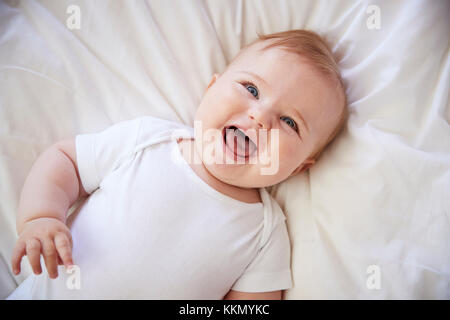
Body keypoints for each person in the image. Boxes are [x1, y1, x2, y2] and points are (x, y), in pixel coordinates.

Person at [8, 29, 347, 299]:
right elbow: (65, 159)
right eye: (251, 88)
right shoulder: (150, 140)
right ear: (212, 87)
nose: (260, 116)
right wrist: (41, 217)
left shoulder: (265, 234)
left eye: (289, 122)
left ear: (301, 166)